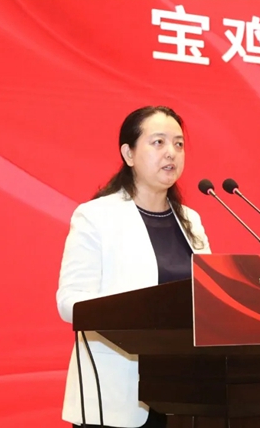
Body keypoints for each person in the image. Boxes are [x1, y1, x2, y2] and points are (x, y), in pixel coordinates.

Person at [56, 106, 211, 428]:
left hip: (184, 395)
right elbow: (69, 302)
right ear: (128, 153)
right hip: (114, 396)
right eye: (158, 142)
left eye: (179, 144)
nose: (171, 152)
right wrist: (135, 311)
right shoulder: (96, 216)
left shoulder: (190, 221)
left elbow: (207, 299)